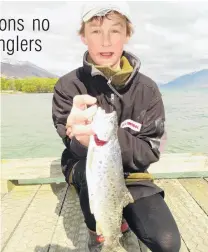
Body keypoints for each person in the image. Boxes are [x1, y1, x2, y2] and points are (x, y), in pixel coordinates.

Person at [52, 2, 181, 251]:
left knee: (167, 243)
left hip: (132, 173)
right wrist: (79, 139)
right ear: (83, 36)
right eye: (96, 31)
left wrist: (111, 137)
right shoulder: (68, 86)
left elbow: (150, 151)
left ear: (127, 34)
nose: (106, 41)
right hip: (84, 166)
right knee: (91, 179)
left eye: (115, 30)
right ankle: (96, 232)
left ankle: (119, 222)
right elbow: (70, 146)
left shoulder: (148, 90)